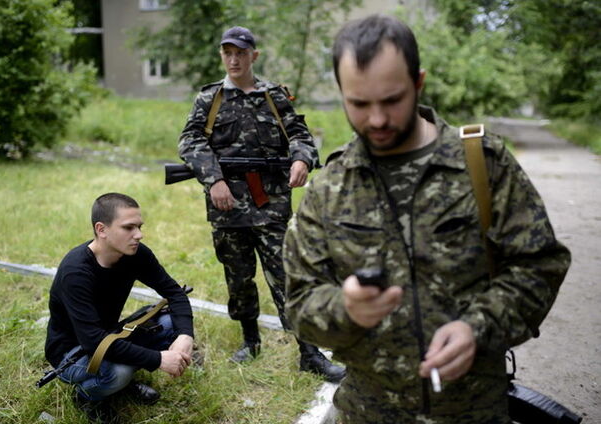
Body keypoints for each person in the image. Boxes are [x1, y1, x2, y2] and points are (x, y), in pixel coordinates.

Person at [283, 14, 571, 424]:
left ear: (418, 83)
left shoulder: (481, 163)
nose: (377, 119)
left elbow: (540, 265)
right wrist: (344, 308)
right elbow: (299, 303)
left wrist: (479, 326)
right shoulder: (329, 188)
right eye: (359, 104)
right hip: (366, 413)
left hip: (472, 410)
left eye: (392, 100)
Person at [178, 26, 344, 382]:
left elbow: (300, 134)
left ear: (254, 55)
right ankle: (250, 341)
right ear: (223, 56)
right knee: (238, 278)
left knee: (287, 276)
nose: (234, 59)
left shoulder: (274, 96)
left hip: (271, 205)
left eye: (240, 52)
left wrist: (301, 158)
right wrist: (215, 180)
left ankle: (309, 353)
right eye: (227, 53)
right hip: (228, 207)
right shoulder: (210, 99)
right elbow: (190, 141)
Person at [45, 193, 194, 423]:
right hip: (72, 353)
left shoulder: (136, 253)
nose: (139, 234)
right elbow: (93, 341)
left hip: (110, 335)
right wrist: (158, 359)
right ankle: (86, 397)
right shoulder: (76, 272)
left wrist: (186, 336)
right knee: (118, 373)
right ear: (101, 229)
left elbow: (174, 293)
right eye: (128, 228)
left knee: (172, 322)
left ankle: (123, 382)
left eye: (139, 226)